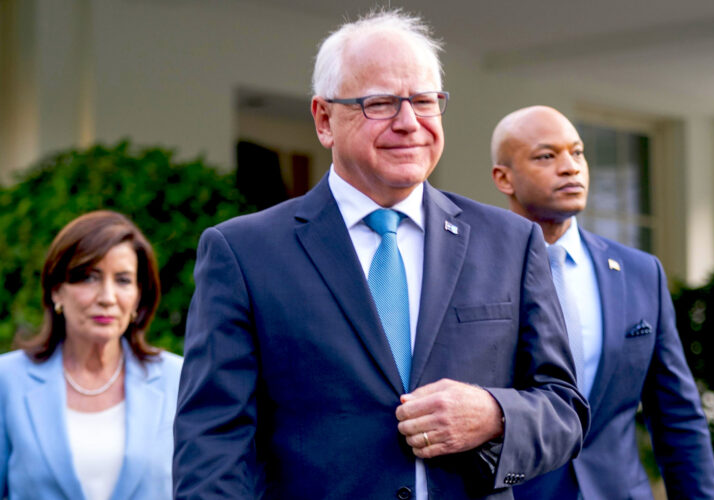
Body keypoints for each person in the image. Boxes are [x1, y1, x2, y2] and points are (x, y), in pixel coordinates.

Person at [173, 11, 588, 500]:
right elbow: (213, 444)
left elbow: (565, 411)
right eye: (381, 103)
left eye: (425, 102)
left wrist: (494, 414)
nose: (409, 123)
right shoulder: (244, 253)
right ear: (325, 119)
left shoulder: (511, 242)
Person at [490, 105, 714, 499]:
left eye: (577, 152)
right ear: (504, 178)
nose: (570, 167)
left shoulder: (640, 272)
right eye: (547, 156)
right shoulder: (478, 270)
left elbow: (677, 416)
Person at [0, 210, 182, 500]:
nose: (107, 297)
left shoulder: (178, 379)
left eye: (123, 280)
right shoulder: (7, 381)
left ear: (138, 296)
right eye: (89, 278)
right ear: (57, 291)